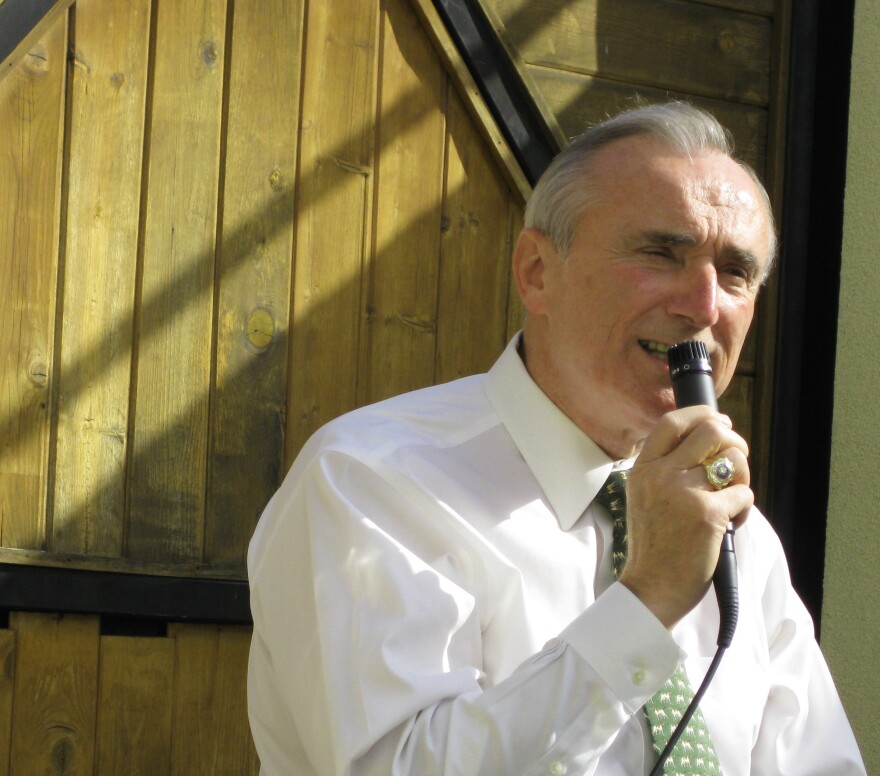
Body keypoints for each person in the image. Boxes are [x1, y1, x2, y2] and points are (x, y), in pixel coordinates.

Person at [247, 102, 865, 775]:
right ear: (537, 271)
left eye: (737, 272)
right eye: (662, 251)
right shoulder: (373, 479)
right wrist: (647, 601)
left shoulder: (738, 533)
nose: (705, 305)